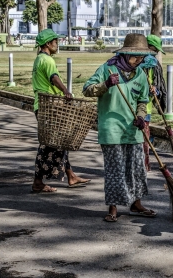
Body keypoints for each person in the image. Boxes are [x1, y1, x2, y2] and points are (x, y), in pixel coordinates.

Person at [82, 33, 158, 222]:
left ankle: (136, 203)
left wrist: (141, 117)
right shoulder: (107, 69)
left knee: (137, 169)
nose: (138, 61)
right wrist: (105, 85)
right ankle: (113, 208)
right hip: (112, 130)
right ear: (124, 55)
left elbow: (142, 100)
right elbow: (87, 89)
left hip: (133, 131)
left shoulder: (140, 74)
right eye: (134, 57)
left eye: (141, 58)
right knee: (115, 171)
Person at [31, 29, 90, 193]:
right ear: (48, 44)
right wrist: (65, 91)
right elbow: (54, 78)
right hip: (50, 107)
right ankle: (38, 181)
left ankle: (71, 176)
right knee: (49, 146)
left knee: (60, 142)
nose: (57, 44)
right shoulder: (47, 60)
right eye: (55, 42)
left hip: (42, 106)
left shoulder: (38, 59)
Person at [139, 34, 167, 171]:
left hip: (146, 107)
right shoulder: (135, 63)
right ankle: (140, 163)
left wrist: (155, 90)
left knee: (145, 136)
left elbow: (159, 87)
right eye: (154, 49)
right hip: (132, 107)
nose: (155, 52)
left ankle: (145, 163)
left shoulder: (153, 65)